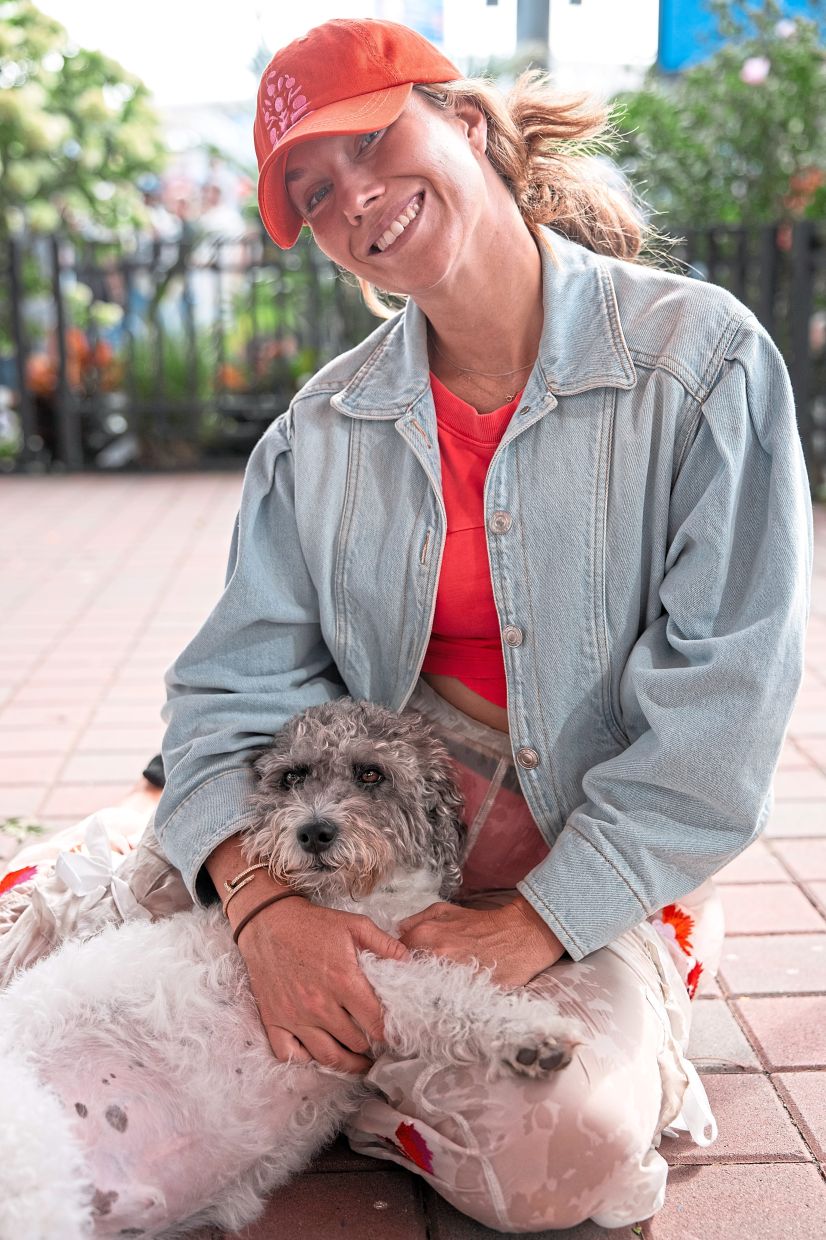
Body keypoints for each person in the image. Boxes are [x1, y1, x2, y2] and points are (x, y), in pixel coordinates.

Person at [145, 17, 812, 1232]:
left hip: (585, 861)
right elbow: (230, 692)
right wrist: (262, 903)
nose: (353, 198)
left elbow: (725, 699)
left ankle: (647, 951)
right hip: (369, 853)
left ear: (463, 120)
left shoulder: (701, 362)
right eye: (312, 190)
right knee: (84, 963)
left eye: (370, 142)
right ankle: (359, 1031)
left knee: (563, 1157)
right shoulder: (321, 428)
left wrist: (544, 920)